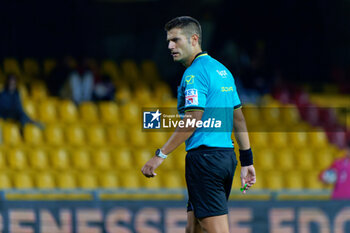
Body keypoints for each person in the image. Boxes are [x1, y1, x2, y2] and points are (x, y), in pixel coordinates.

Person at [141, 16, 256, 233]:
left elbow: (192, 120)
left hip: (205, 161)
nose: (170, 46)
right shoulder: (222, 71)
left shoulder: (193, 74)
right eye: (168, 41)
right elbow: (238, 118)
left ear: (194, 39)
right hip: (225, 159)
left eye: (176, 40)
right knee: (193, 228)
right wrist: (247, 160)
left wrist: (160, 155)